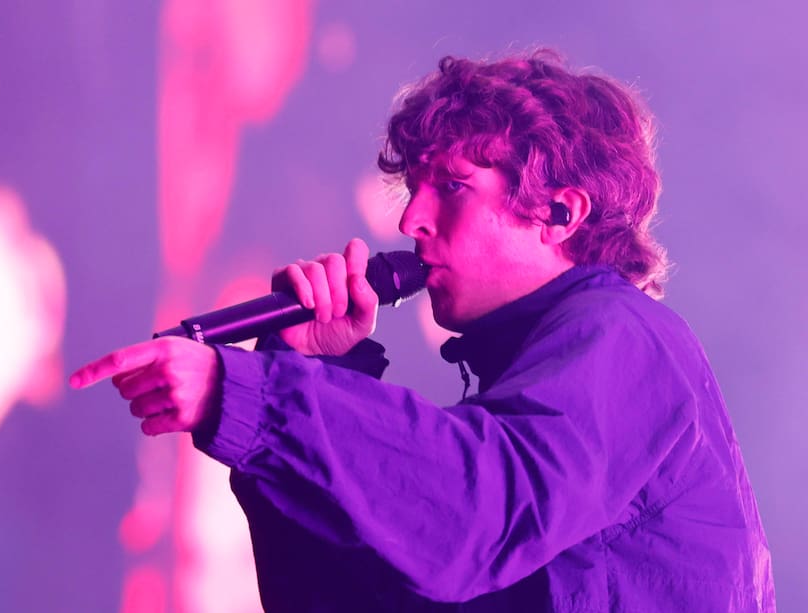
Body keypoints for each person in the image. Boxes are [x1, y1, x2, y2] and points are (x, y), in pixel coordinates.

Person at [71, 49, 775, 611]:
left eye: (452, 186)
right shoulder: (522, 386)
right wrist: (313, 367)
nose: (411, 221)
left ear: (560, 214)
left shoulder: (626, 337)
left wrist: (251, 395)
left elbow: (478, 511)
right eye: (413, 188)